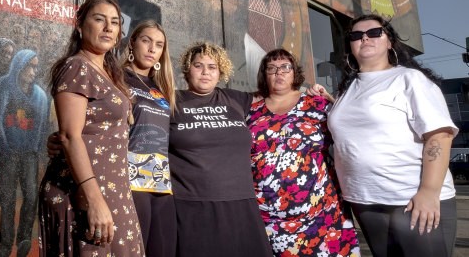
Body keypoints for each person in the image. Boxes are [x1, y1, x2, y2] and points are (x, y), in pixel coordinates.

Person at [309, 13, 458, 257]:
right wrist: (327, 100)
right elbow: (363, 123)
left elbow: (439, 135)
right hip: (365, 201)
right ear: (350, 45)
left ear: (389, 42)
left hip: (411, 199)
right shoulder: (348, 88)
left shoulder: (409, 79)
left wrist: (429, 192)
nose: (365, 38)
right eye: (356, 35)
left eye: (374, 33)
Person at [39, 0, 144, 256]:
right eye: (100, 19)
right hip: (85, 194)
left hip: (113, 189)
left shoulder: (110, 72)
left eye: (115, 22)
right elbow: (70, 137)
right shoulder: (77, 67)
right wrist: (94, 200)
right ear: (80, 25)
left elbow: (86, 129)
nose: (109, 27)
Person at [246, 48, 360, 256]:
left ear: (294, 73)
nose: (278, 72)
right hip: (268, 218)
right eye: (271, 68)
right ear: (264, 74)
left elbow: (350, 128)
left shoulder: (316, 104)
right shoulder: (250, 111)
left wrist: (329, 98)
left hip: (322, 214)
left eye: (285, 67)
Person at [168, 41, 273, 257]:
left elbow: (276, 95)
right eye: (198, 65)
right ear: (188, 69)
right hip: (192, 206)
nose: (205, 72)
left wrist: (312, 91)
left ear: (221, 72)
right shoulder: (172, 100)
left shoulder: (234, 99)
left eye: (212, 67)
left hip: (241, 204)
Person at [122, 20, 176, 256]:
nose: (152, 49)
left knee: (162, 249)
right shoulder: (117, 77)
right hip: (129, 176)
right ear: (132, 43)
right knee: (135, 248)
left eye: (159, 44)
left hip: (160, 178)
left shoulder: (161, 88)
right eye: (146, 41)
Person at [0, 49, 49, 257]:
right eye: (30, 65)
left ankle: (24, 238)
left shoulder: (40, 95)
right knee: (6, 201)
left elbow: (41, 129)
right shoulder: (4, 85)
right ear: (19, 65)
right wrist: (4, 150)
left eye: (36, 66)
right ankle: (5, 245)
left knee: (31, 197)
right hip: (8, 151)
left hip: (29, 155)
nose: (34, 71)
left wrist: (37, 155)